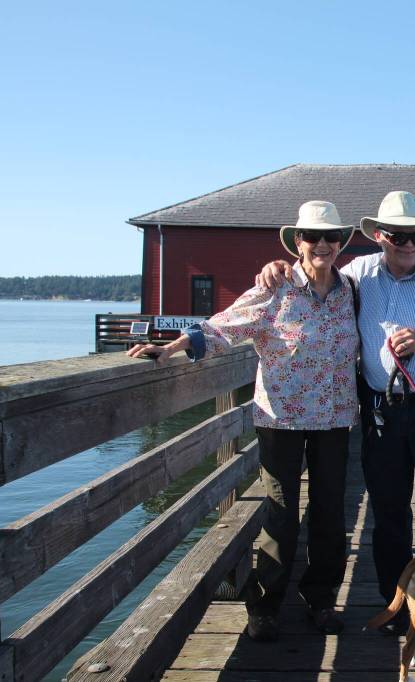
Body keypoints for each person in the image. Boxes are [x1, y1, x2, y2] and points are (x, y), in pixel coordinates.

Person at [256, 191, 415, 643]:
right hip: (381, 412)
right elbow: (312, 275)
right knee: (389, 514)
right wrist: (275, 268)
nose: (409, 243)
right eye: (398, 235)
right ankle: (396, 602)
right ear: (379, 236)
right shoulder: (358, 275)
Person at [127, 200, 358, 642]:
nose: (323, 244)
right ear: (298, 242)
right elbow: (221, 328)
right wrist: (170, 349)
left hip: (335, 418)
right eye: (314, 237)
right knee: (282, 513)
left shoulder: (351, 290)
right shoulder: (275, 289)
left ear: (342, 243)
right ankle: (265, 605)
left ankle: (322, 597)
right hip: (280, 420)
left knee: (330, 512)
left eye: (332, 237)